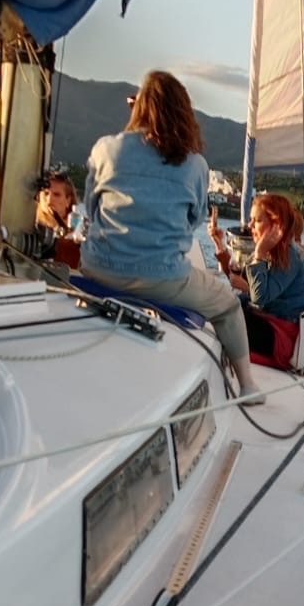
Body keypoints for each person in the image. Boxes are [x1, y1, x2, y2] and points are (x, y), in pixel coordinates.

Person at [80, 71, 262, 400]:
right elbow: (193, 221)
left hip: (99, 268)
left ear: (138, 108)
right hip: (161, 279)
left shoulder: (106, 149)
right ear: (185, 114)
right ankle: (248, 385)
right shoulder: (196, 166)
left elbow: (92, 208)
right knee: (227, 306)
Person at [213, 191, 304, 366]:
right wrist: (219, 244)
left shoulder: (291, 255)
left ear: (275, 224)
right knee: (215, 303)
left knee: (220, 315)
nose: (250, 225)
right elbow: (237, 279)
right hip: (263, 323)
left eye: (256, 220)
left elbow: (260, 297)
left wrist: (259, 253)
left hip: (278, 335)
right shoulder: (274, 250)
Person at [36, 171, 81, 269]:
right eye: (46, 193)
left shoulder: (78, 236)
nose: (49, 200)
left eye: (56, 195)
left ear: (68, 200)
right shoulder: (31, 229)